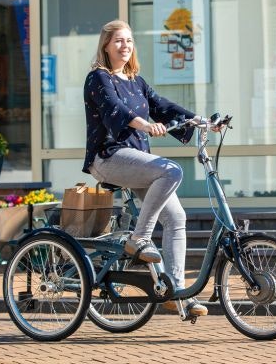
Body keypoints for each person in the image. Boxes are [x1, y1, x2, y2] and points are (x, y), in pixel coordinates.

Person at [83, 20, 221, 316]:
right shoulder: (98, 78)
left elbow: (164, 106)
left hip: (135, 160)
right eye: (119, 40)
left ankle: (176, 292)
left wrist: (203, 121)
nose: (125, 46)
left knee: (176, 218)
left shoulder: (136, 80)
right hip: (108, 157)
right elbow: (115, 110)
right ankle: (139, 238)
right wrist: (145, 124)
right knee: (172, 170)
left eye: (129, 40)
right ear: (106, 45)